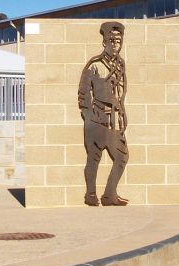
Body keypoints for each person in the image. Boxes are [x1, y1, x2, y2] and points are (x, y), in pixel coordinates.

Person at [78, 21, 129, 206]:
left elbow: (120, 92)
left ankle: (109, 194)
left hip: (114, 120)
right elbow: (83, 92)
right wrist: (89, 116)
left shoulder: (121, 64)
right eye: (112, 40)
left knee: (122, 157)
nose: (116, 44)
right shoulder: (95, 64)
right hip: (97, 118)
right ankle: (90, 194)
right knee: (94, 158)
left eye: (118, 40)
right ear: (104, 42)